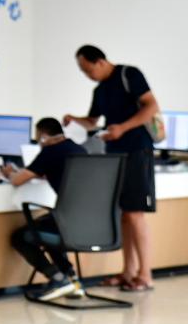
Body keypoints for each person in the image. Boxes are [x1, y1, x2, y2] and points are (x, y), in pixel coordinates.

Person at [64, 45, 159, 293]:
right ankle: (128, 271)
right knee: (124, 214)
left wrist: (123, 128)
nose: (88, 76)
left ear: (100, 62)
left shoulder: (129, 75)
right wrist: (74, 119)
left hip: (137, 149)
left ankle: (145, 274)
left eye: (88, 70)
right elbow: (92, 121)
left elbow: (151, 106)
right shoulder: (100, 90)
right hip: (115, 153)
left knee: (135, 213)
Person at [2, 118, 87, 301]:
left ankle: (57, 279)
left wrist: (9, 173)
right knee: (47, 226)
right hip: (87, 223)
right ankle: (72, 279)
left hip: (66, 224)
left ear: (43, 136)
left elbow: (17, 180)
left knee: (21, 236)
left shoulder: (50, 152)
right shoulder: (79, 149)